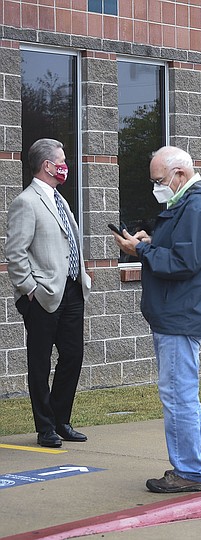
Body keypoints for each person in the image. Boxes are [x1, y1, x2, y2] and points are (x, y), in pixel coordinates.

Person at [114, 146, 201, 492]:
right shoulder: (194, 203)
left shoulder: (197, 205)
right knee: (185, 393)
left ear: (180, 174)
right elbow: (183, 248)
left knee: (177, 395)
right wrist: (153, 239)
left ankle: (189, 472)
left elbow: (184, 261)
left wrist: (142, 251)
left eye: (159, 181)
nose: (157, 188)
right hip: (181, 310)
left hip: (180, 312)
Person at [6, 138, 92, 448]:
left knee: (73, 356)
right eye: (62, 160)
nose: (65, 165)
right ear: (47, 165)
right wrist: (29, 290)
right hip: (41, 296)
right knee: (40, 363)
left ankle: (61, 420)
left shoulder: (60, 200)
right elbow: (15, 253)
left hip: (71, 291)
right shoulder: (26, 202)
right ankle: (45, 428)